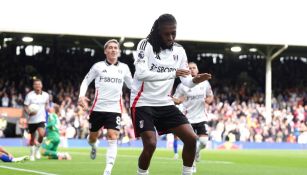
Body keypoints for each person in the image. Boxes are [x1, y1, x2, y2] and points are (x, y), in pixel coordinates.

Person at [131, 14, 212, 175]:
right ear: (158, 31)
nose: (170, 37)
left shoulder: (179, 51)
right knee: (151, 144)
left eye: (173, 33)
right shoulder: (145, 45)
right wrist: (172, 73)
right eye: (166, 34)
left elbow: (186, 81)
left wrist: (195, 80)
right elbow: (141, 73)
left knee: (191, 139)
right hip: (143, 102)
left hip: (165, 103)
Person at [78, 39, 133, 175]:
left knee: (112, 135)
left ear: (119, 51)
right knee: (92, 138)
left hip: (115, 109)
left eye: (116, 48)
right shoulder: (97, 66)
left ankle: (107, 170)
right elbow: (86, 81)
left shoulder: (124, 68)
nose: (113, 50)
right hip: (97, 108)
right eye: (110, 48)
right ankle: (94, 146)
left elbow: (132, 86)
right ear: (105, 51)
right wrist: (81, 96)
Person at [173, 62, 214, 173]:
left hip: (201, 118)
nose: (191, 70)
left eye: (193, 68)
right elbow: (175, 99)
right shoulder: (182, 86)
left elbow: (210, 96)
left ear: (197, 70)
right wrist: (177, 101)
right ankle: (192, 165)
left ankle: (197, 152)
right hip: (188, 119)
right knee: (190, 143)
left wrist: (208, 100)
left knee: (204, 142)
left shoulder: (205, 83)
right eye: (189, 68)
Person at [22, 78, 49, 161]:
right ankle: (31, 153)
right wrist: (29, 113)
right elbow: (25, 106)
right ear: (33, 86)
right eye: (36, 84)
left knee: (41, 135)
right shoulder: (29, 95)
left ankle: (37, 150)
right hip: (32, 119)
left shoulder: (46, 95)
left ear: (41, 85)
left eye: (39, 84)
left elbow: (46, 105)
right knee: (32, 138)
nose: (38, 86)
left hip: (41, 119)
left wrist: (47, 113)